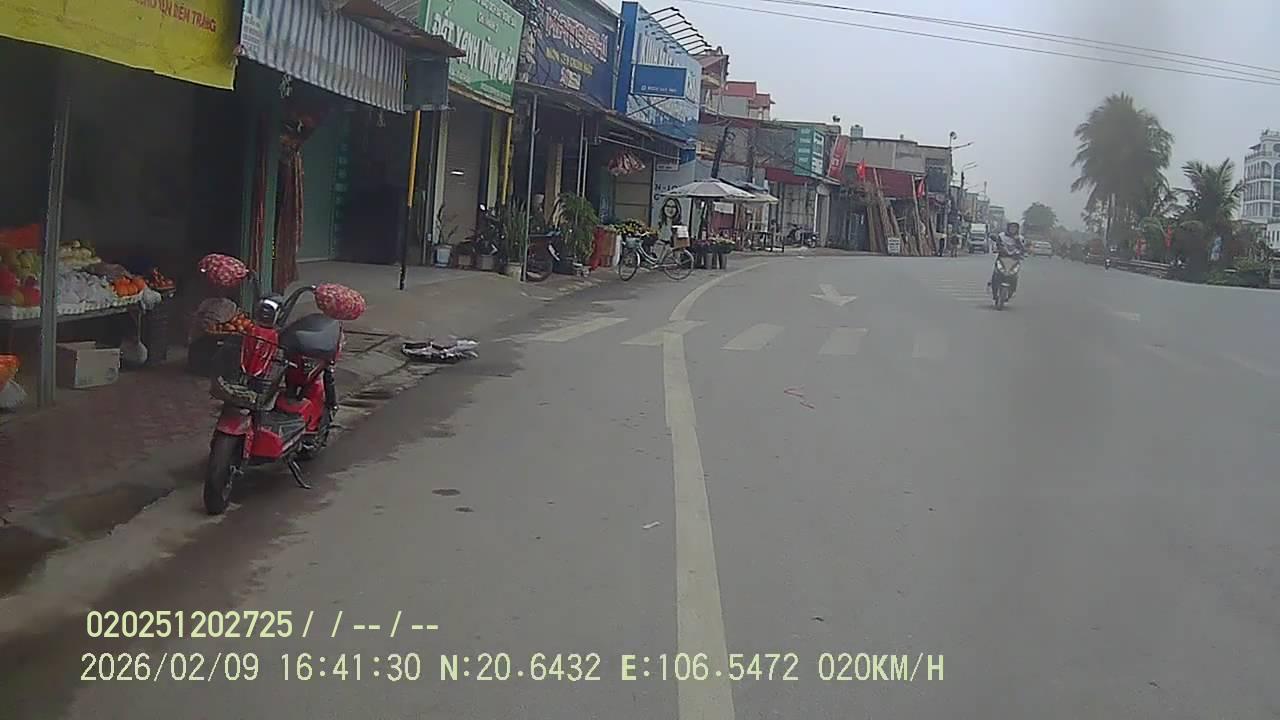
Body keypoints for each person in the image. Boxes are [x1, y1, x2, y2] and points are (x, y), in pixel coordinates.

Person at [990, 221, 1026, 292]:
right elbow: (997, 244)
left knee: (1015, 275)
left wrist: (1017, 240)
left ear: (1017, 229)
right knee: (995, 274)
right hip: (1002, 257)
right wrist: (998, 249)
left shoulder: (1020, 238)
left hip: (1014, 259)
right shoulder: (1002, 236)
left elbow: (1022, 248)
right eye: (1011, 227)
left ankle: (1012, 290)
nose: (1013, 229)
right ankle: (994, 292)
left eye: (1015, 227)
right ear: (1008, 228)